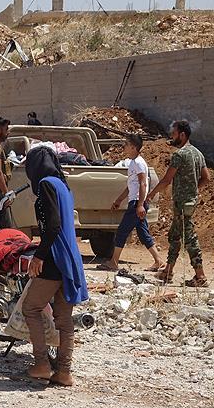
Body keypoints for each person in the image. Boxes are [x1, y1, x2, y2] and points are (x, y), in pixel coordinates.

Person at [22, 144, 89, 386]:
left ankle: (41, 364)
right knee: (64, 318)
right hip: (70, 258)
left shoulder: (46, 185)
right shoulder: (63, 185)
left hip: (54, 257)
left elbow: (52, 226)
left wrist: (39, 256)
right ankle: (64, 372)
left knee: (31, 308)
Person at [146, 120, 210, 287]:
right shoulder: (197, 153)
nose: (172, 137)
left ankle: (200, 276)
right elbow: (206, 178)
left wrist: (151, 194)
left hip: (182, 204)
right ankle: (168, 271)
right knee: (174, 236)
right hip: (189, 202)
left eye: (174, 134)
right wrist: (194, 190)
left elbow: (167, 180)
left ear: (182, 134)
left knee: (189, 238)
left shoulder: (179, 155)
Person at [99, 134, 164, 272]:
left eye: (127, 144)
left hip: (136, 203)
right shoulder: (133, 163)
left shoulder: (138, 163)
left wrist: (140, 205)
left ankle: (113, 262)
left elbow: (142, 184)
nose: (124, 147)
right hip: (135, 202)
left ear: (134, 147)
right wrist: (119, 200)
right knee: (143, 233)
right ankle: (158, 261)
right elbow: (131, 186)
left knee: (122, 231)